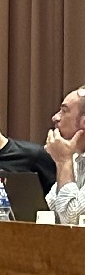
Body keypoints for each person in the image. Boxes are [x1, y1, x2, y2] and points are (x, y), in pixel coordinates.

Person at [44, 83, 84, 226]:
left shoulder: (66, 159)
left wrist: (63, 161)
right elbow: (49, 211)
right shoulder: (76, 158)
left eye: (64, 111)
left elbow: (72, 221)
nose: (55, 117)